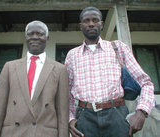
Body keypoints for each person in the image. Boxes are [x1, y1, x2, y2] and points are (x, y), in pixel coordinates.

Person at [65, 7, 155, 137]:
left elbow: (145, 82)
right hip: (84, 117)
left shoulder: (118, 48)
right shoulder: (72, 55)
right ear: (80, 26)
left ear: (101, 24)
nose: (91, 23)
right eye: (86, 20)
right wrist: (70, 119)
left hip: (116, 115)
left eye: (95, 20)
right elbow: (67, 93)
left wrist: (141, 112)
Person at [0, 20, 69, 137]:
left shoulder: (60, 69)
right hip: (13, 133)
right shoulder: (9, 67)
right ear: (25, 37)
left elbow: (63, 113)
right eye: (30, 34)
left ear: (47, 38)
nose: (34, 37)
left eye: (40, 34)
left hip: (45, 133)